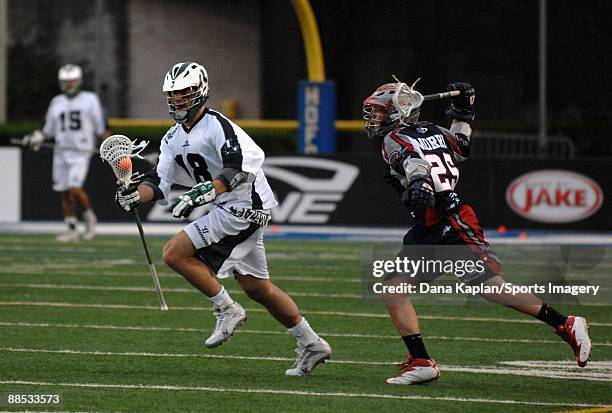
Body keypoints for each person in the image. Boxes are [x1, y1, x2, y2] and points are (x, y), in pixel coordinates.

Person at [362, 79, 592, 385]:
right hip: (431, 225)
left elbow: (413, 162)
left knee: (491, 287)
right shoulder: (435, 130)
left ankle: (566, 324)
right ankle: (421, 361)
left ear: (395, 113)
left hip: (449, 219)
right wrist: (463, 114)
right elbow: (463, 147)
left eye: (376, 114)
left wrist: (419, 183)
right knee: (394, 287)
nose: (371, 120)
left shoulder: (393, 139)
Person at [115, 62, 332, 376]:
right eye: (173, 94)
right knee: (257, 287)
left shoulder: (218, 126)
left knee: (174, 253)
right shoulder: (172, 137)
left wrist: (202, 193)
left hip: (245, 205)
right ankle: (311, 343)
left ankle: (226, 309)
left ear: (200, 90)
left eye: (184, 93)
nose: (178, 100)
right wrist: (138, 195)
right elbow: (158, 183)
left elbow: (237, 169)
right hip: (227, 207)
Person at [23, 64, 109, 242]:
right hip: (61, 150)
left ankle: (90, 219)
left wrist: (108, 144)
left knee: (74, 188)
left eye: (72, 81)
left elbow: (101, 126)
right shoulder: (57, 101)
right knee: (64, 191)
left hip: (81, 150)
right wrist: (36, 138)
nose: (69, 85)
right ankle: (72, 229)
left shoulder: (90, 99)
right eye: (66, 82)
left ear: (78, 81)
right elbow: (48, 129)